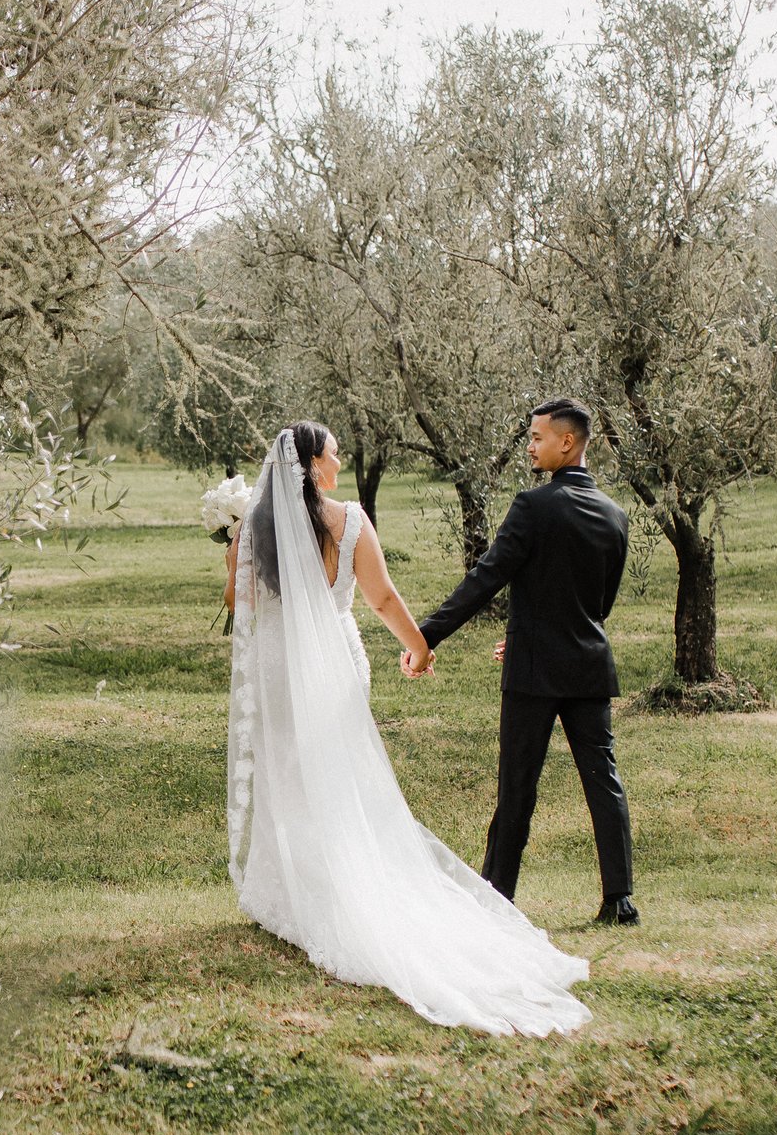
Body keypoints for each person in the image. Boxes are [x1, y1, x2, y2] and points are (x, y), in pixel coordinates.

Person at [223, 420, 590, 1036]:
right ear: (313, 465)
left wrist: (233, 543)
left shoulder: (256, 528)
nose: (339, 461)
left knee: (287, 771)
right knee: (337, 775)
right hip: (336, 665)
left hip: (279, 668)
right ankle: (338, 885)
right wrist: (419, 648)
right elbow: (383, 599)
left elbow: (242, 604)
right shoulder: (353, 521)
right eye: (333, 453)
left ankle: (292, 892)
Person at [415, 398, 638, 924]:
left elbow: (485, 578)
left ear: (567, 442)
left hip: (535, 672)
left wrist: (425, 637)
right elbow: (597, 606)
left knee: (517, 785)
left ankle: (497, 899)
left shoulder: (532, 506)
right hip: (587, 666)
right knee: (602, 781)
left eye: (537, 437)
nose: (530, 446)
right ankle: (619, 899)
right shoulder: (616, 515)